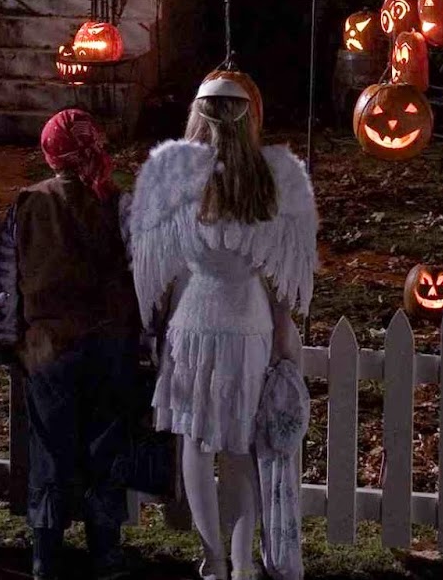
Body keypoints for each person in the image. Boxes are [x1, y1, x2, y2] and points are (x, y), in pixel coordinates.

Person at [129, 77, 317, 580]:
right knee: (240, 449)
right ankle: (241, 561)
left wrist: (156, 321)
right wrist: (284, 330)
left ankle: (212, 558)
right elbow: (282, 274)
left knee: (196, 444)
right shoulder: (271, 179)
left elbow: (162, 270)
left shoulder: (175, 178)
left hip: (193, 322)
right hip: (249, 324)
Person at [0, 110, 141, 580]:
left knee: (50, 449)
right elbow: (140, 273)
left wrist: (9, 338)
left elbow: (8, 279)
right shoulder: (119, 204)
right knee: (106, 445)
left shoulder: (26, 205)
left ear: (49, 153)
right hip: (109, 344)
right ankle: (106, 551)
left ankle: (46, 553)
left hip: (48, 349)